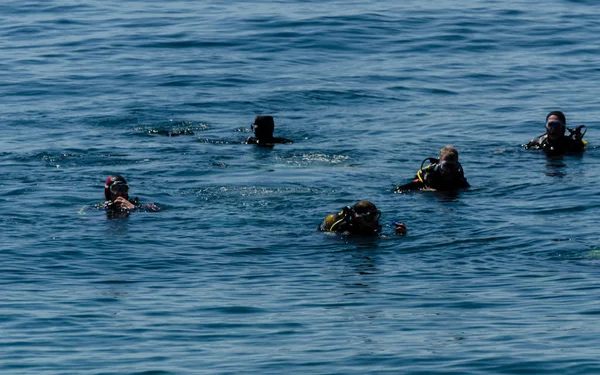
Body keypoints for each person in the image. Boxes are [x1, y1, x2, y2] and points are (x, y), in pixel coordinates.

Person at [394, 146, 470, 193]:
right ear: (438, 162)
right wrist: (426, 190)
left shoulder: (459, 179)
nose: (449, 170)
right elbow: (399, 190)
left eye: (452, 166)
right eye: (445, 166)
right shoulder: (429, 176)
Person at [318, 200, 407, 236]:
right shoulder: (346, 231)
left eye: (375, 216)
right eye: (370, 217)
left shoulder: (374, 227)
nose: (374, 221)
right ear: (358, 218)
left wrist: (400, 233)